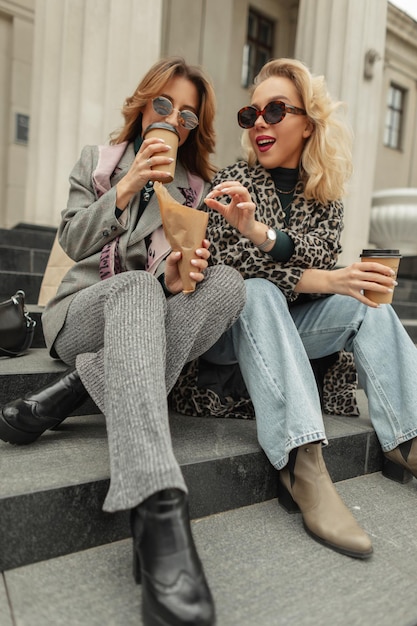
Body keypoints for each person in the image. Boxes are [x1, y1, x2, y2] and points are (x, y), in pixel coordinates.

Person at [0, 57, 247, 626]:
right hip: (81, 312)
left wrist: (184, 273)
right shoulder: (99, 162)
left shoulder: (196, 188)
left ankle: (74, 392)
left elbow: (169, 284)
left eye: (186, 115)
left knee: (231, 285)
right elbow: (73, 237)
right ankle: (159, 506)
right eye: (163, 104)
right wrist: (130, 183)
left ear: (193, 128)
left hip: (144, 314)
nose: (172, 120)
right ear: (143, 105)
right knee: (134, 287)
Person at [202, 57, 417, 560]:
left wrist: (277, 244)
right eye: (251, 114)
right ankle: (303, 465)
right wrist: (265, 239)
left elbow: (320, 251)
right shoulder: (231, 181)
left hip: (287, 334)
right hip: (226, 340)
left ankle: (408, 440)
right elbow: (234, 269)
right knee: (255, 291)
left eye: (275, 110)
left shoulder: (324, 191)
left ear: (307, 122)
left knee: (371, 306)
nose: (260, 123)